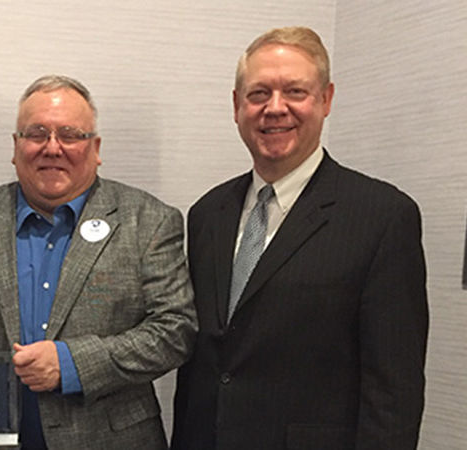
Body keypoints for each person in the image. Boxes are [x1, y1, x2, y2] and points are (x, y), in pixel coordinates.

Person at [171, 26, 428, 449]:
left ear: (326, 100)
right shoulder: (206, 214)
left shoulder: (382, 216)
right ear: (236, 106)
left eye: (295, 92)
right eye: (258, 94)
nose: (275, 108)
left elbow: (394, 391)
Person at [0, 75, 197, 449]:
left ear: (95, 148)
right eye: (36, 134)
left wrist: (70, 364)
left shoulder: (148, 221)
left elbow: (175, 331)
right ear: (16, 147)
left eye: (70, 134)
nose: (52, 148)